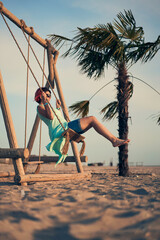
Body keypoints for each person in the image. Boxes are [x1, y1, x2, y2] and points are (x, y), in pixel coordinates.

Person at [35, 87, 130, 165]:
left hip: (65, 127)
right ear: (41, 96)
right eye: (46, 95)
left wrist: (58, 107)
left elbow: (57, 117)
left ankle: (114, 139)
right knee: (92, 119)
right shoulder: (40, 107)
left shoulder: (49, 107)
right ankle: (114, 140)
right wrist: (45, 101)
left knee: (92, 122)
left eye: (49, 95)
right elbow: (51, 117)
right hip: (61, 132)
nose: (49, 97)